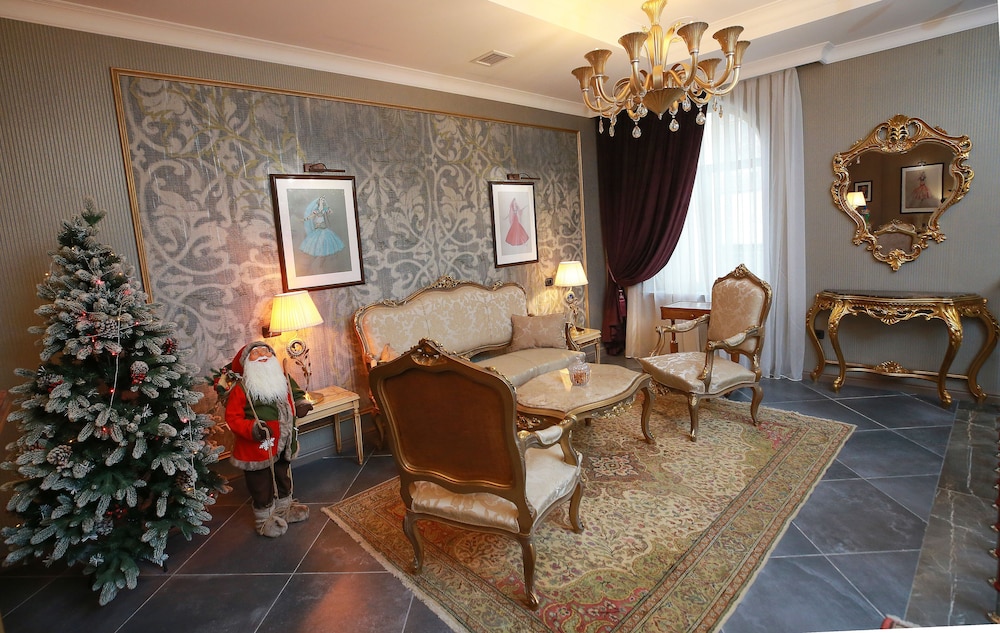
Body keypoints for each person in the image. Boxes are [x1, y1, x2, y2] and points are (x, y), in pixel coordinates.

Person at [224, 341, 314, 537]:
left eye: (267, 351)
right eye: (256, 353)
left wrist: (301, 403)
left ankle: (284, 509)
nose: (263, 354)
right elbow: (232, 418)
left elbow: (296, 392)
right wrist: (253, 429)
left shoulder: (283, 378)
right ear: (246, 362)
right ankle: (264, 520)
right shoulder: (242, 388)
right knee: (261, 483)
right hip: (258, 446)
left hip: (284, 441)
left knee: (282, 474)